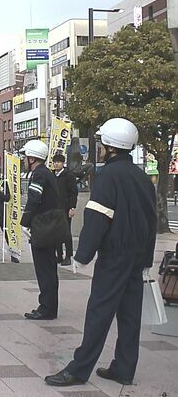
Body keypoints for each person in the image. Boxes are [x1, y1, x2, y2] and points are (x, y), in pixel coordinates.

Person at [45, 118, 157, 387]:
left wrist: (83, 255)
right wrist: (147, 258)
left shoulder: (107, 175)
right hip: (137, 255)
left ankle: (78, 369)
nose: (99, 147)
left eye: (101, 142)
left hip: (115, 256)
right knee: (130, 315)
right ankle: (124, 368)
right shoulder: (142, 176)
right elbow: (151, 219)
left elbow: (98, 217)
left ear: (110, 146)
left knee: (99, 311)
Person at [20, 140, 65, 321]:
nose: (23, 159)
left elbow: (34, 198)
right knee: (49, 268)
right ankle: (49, 307)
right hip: (51, 226)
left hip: (43, 227)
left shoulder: (38, 174)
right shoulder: (47, 173)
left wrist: (25, 221)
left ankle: (46, 308)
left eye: (25, 157)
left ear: (32, 158)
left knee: (44, 269)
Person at [52, 154, 78, 266]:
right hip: (53, 209)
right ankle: (59, 255)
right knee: (55, 233)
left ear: (63, 163)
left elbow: (73, 193)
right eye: (55, 162)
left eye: (58, 162)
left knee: (66, 233)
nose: (56, 164)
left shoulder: (69, 176)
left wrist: (72, 207)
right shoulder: (51, 175)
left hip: (65, 208)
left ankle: (68, 256)